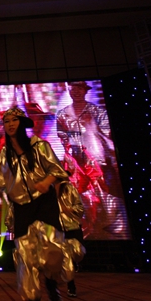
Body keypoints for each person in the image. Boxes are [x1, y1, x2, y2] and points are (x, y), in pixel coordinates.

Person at [0, 107, 69, 301]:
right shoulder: (5, 153)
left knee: (53, 250)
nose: (10, 124)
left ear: (22, 123)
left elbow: (57, 169)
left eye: (14, 120)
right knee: (26, 258)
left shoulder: (39, 146)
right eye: (6, 122)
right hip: (21, 208)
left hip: (44, 203)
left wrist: (46, 182)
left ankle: (51, 282)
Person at [56, 81, 128, 239]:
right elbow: (62, 137)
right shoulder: (62, 114)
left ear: (85, 91)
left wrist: (91, 126)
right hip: (76, 164)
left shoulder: (97, 112)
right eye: (73, 89)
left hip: (99, 161)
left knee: (106, 194)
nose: (76, 92)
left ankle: (114, 229)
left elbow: (109, 135)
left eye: (79, 88)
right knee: (82, 197)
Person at [55, 172, 86, 298]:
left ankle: (75, 261)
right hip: (59, 230)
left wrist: (69, 210)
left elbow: (80, 207)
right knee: (66, 260)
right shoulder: (48, 192)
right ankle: (71, 287)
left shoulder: (69, 189)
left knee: (78, 252)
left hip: (73, 227)